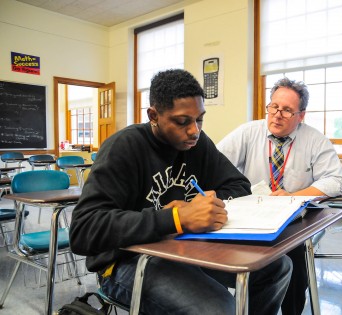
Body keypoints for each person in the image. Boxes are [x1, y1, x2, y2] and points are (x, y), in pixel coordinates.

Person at [69, 69, 292, 315]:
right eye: (182, 121)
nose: (194, 130)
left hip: (185, 247)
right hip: (125, 261)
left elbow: (239, 186)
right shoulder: (124, 147)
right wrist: (176, 218)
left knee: (277, 267)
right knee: (219, 309)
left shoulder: (196, 143)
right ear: (153, 115)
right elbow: (83, 230)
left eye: (200, 119)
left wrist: (206, 205)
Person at [217, 77, 342, 315]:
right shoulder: (248, 132)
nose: (277, 115)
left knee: (296, 259)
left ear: (301, 115)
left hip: (293, 220)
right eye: (274, 107)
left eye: (287, 110)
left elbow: (338, 181)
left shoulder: (314, 140)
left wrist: (293, 197)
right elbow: (215, 163)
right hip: (251, 217)